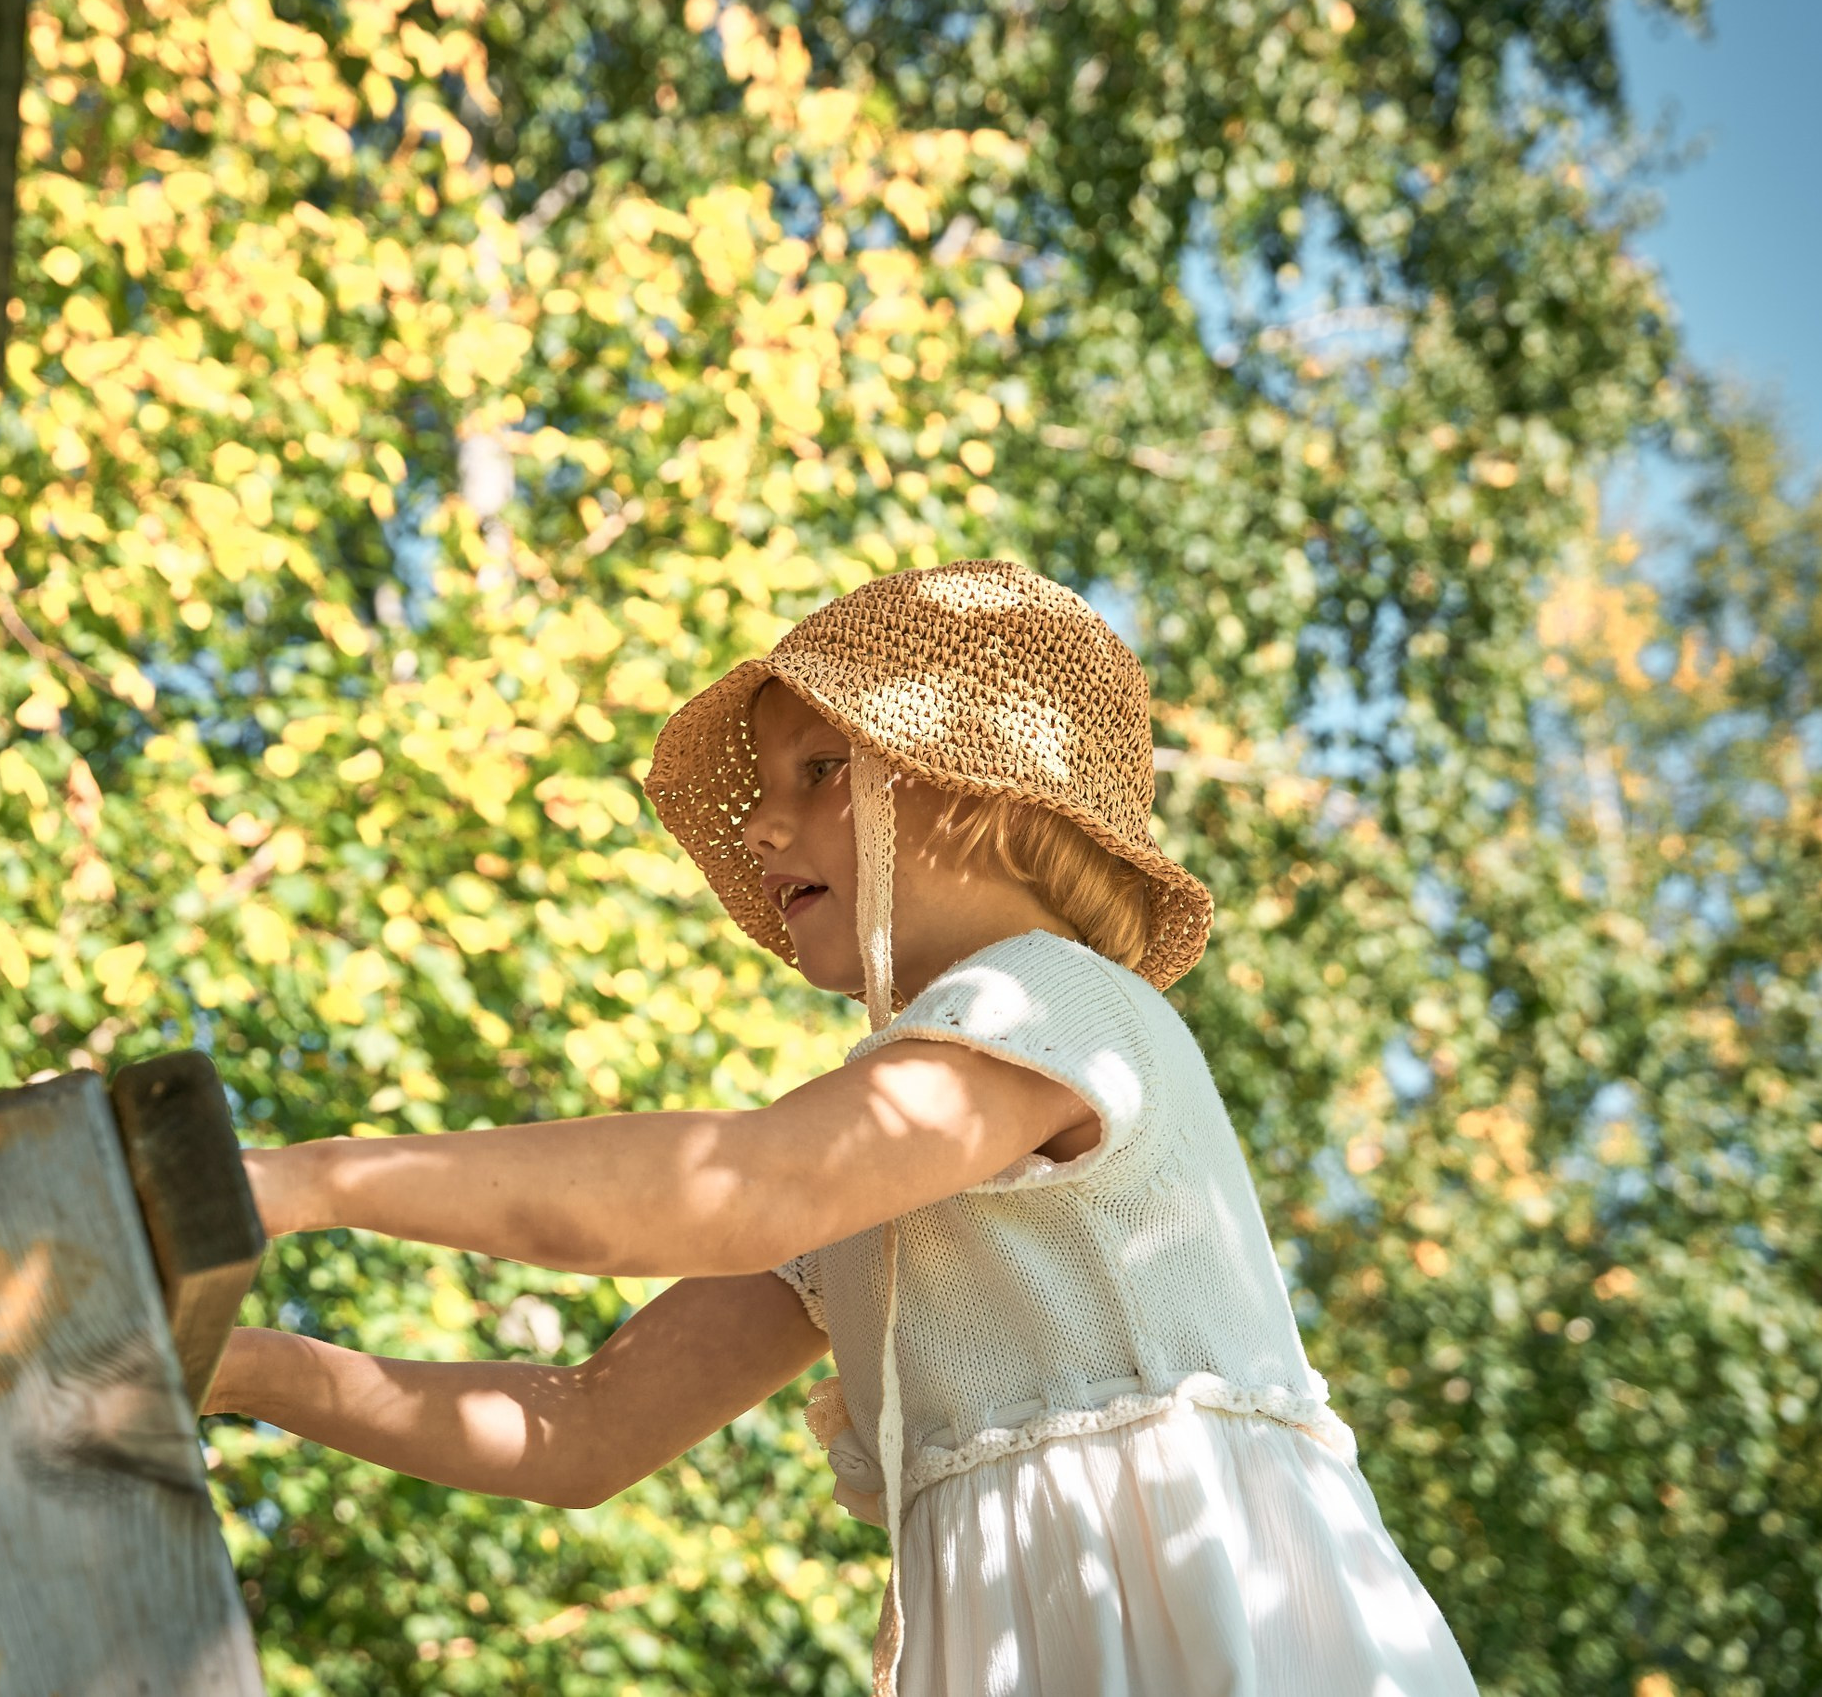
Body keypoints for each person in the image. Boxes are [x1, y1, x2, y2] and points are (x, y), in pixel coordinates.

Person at [206, 561, 1480, 1694]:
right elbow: (582, 1428)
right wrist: (235, 1366)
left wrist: (301, 1182)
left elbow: (739, 1189)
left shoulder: (1056, 997)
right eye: (768, 784)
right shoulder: (891, 1162)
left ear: (987, 797)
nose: (761, 826)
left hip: (1192, 1626)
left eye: (822, 769)